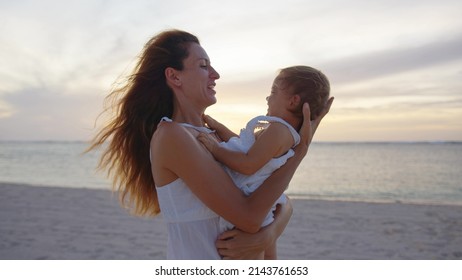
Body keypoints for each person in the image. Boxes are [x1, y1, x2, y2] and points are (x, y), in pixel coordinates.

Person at [88, 29, 333, 259]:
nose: (216, 74)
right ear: (174, 76)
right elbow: (250, 218)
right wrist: (299, 153)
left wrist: (270, 233)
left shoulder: (210, 137)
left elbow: (274, 199)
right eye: (204, 66)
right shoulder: (173, 136)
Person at [197, 66, 331, 259]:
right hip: (263, 207)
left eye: (274, 92)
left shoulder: (279, 131)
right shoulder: (279, 132)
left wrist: (215, 149)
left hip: (251, 200)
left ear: (293, 101)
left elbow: (247, 164)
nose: (268, 98)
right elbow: (244, 147)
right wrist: (218, 128)